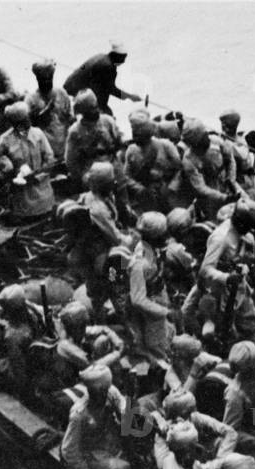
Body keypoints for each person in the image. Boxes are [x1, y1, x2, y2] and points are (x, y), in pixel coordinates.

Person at [186, 199, 255, 344]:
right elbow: (205, 269)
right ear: (241, 223)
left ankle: (252, 349)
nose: (250, 230)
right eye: (249, 226)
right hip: (218, 289)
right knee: (220, 327)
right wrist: (226, 278)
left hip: (239, 284)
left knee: (250, 323)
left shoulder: (245, 235)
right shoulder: (221, 238)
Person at [65, 162, 133, 310]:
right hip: (98, 253)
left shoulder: (100, 196)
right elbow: (116, 238)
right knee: (113, 276)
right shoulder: (97, 208)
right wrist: (133, 241)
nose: (114, 183)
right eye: (111, 181)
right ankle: (110, 305)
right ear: (104, 184)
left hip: (99, 245)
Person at [61, 364, 131, 469]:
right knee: (123, 468)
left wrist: (124, 414)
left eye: (103, 390)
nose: (100, 394)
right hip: (88, 453)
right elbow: (68, 451)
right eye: (94, 391)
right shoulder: (79, 414)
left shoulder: (110, 391)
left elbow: (121, 400)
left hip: (103, 442)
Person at [0, 101, 56, 221]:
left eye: (27, 117)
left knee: (45, 215)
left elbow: (49, 157)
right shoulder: (5, 139)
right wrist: (4, 177)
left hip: (42, 187)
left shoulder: (38, 134)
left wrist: (38, 176)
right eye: (24, 120)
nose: (28, 121)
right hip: (22, 192)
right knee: (25, 218)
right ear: (16, 123)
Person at [127, 212, 173, 360]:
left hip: (157, 300)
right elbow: (138, 300)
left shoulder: (150, 249)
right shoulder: (140, 264)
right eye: (163, 234)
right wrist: (165, 312)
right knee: (158, 352)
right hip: (149, 313)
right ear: (154, 237)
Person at [123, 109, 183, 213]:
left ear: (148, 133)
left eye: (138, 134)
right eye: (134, 133)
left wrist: (172, 187)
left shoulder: (165, 145)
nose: (135, 137)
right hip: (146, 195)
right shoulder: (131, 150)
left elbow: (180, 168)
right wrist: (140, 189)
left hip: (167, 191)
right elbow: (126, 176)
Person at [180, 119, 240, 221]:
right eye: (203, 138)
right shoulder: (189, 159)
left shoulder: (217, 141)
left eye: (206, 135)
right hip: (210, 191)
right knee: (216, 218)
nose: (207, 138)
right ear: (195, 143)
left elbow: (230, 160)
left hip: (226, 181)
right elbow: (201, 188)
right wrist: (223, 198)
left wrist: (231, 179)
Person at [62, 41, 142, 116]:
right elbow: (111, 89)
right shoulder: (108, 67)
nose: (124, 61)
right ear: (117, 56)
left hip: (69, 85)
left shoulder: (100, 56)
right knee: (107, 114)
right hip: (77, 90)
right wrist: (131, 97)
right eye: (123, 58)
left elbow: (101, 84)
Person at [65, 89, 124, 186]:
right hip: (93, 172)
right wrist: (83, 177)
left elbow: (120, 142)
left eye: (96, 107)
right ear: (84, 112)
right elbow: (71, 161)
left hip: (114, 168)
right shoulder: (75, 131)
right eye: (91, 109)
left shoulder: (108, 121)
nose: (96, 111)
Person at [25, 59, 74, 162]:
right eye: (43, 79)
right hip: (43, 153)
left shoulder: (61, 93)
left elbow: (71, 118)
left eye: (49, 78)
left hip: (64, 150)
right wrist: (42, 114)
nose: (47, 82)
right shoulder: (31, 99)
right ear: (37, 79)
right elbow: (26, 127)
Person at [218, 109, 255, 200]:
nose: (223, 126)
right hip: (231, 182)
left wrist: (226, 143)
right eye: (222, 123)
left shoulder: (242, 140)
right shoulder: (222, 140)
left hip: (244, 183)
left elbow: (243, 156)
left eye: (226, 123)